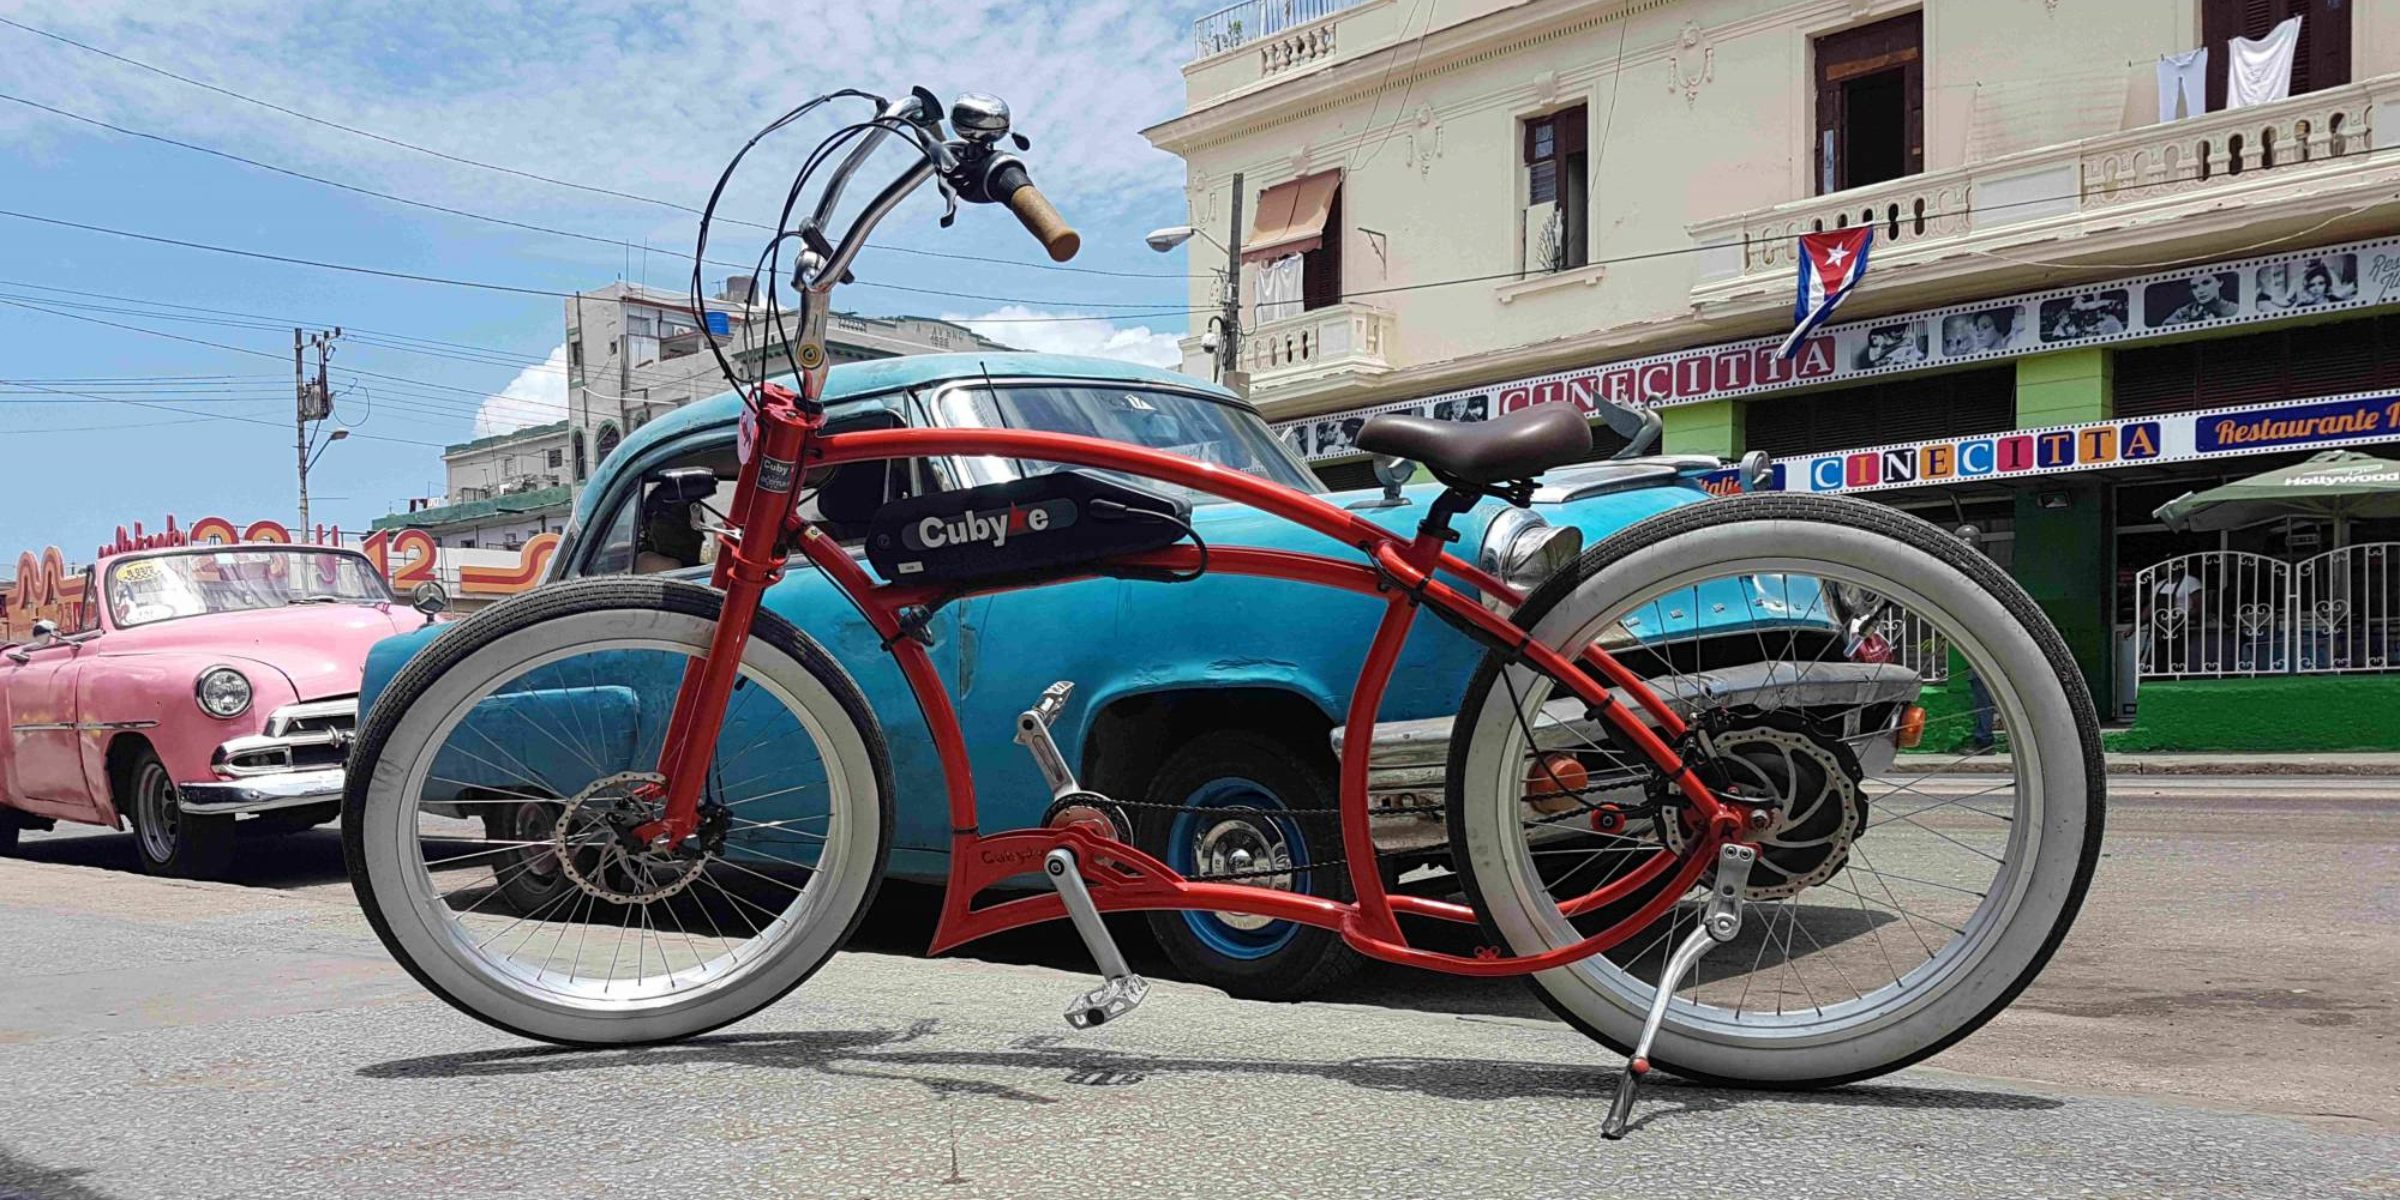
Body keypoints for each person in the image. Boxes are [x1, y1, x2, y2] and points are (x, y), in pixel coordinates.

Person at [2160, 273, 2237, 324]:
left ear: (2220, 282)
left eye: (2206, 283)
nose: (2200, 291)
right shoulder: (2183, 313)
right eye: (2195, 287)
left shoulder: (2235, 310)